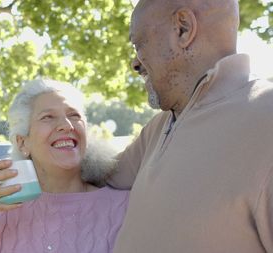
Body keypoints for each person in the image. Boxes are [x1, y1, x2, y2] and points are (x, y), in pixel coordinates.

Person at [107, 0, 273, 252]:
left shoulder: (266, 119)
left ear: (183, 28)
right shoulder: (158, 127)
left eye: (138, 43)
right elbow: (92, 176)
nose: (135, 63)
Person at [0, 79, 129, 253]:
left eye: (74, 115)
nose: (66, 125)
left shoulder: (123, 207)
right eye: (48, 117)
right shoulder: (0, 212)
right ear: (22, 143)